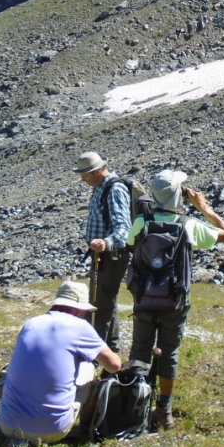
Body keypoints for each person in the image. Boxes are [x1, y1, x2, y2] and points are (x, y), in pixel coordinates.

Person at [126, 169, 224, 430]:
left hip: (143, 298)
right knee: (169, 353)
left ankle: (135, 408)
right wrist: (203, 207)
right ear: (178, 195)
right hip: (174, 300)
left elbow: (130, 243)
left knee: (139, 350)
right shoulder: (189, 226)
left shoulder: (142, 222)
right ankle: (165, 410)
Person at [0, 280, 122, 445]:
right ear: (78, 309)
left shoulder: (31, 324)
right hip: (50, 431)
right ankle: (84, 427)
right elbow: (114, 366)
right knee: (88, 367)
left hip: (6, 424)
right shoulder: (80, 326)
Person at [73, 151, 132, 352]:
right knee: (104, 299)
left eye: (85, 174)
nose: (82, 179)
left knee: (102, 302)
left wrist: (106, 242)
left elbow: (124, 228)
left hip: (112, 255)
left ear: (97, 171)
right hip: (102, 254)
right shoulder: (100, 187)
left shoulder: (115, 189)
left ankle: (99, 349)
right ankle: (110, 346)